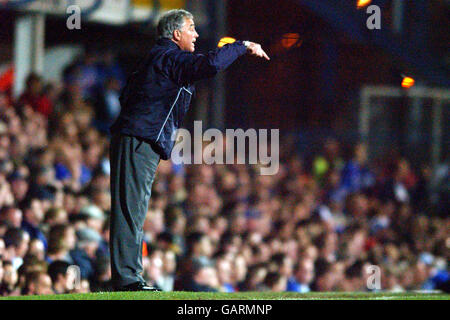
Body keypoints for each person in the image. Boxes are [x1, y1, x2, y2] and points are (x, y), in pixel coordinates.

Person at [109, 8, 269, 291]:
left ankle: (130, 277)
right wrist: (242, 46)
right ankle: (128, 280)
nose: (196, 34)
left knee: (134, 208)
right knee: (131, 209)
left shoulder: (158, 59)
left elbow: (128, 94)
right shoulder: (168, 57)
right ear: (176, 33)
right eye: (191, 28)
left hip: (137, 137)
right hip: (138, 138)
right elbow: (209, 65)